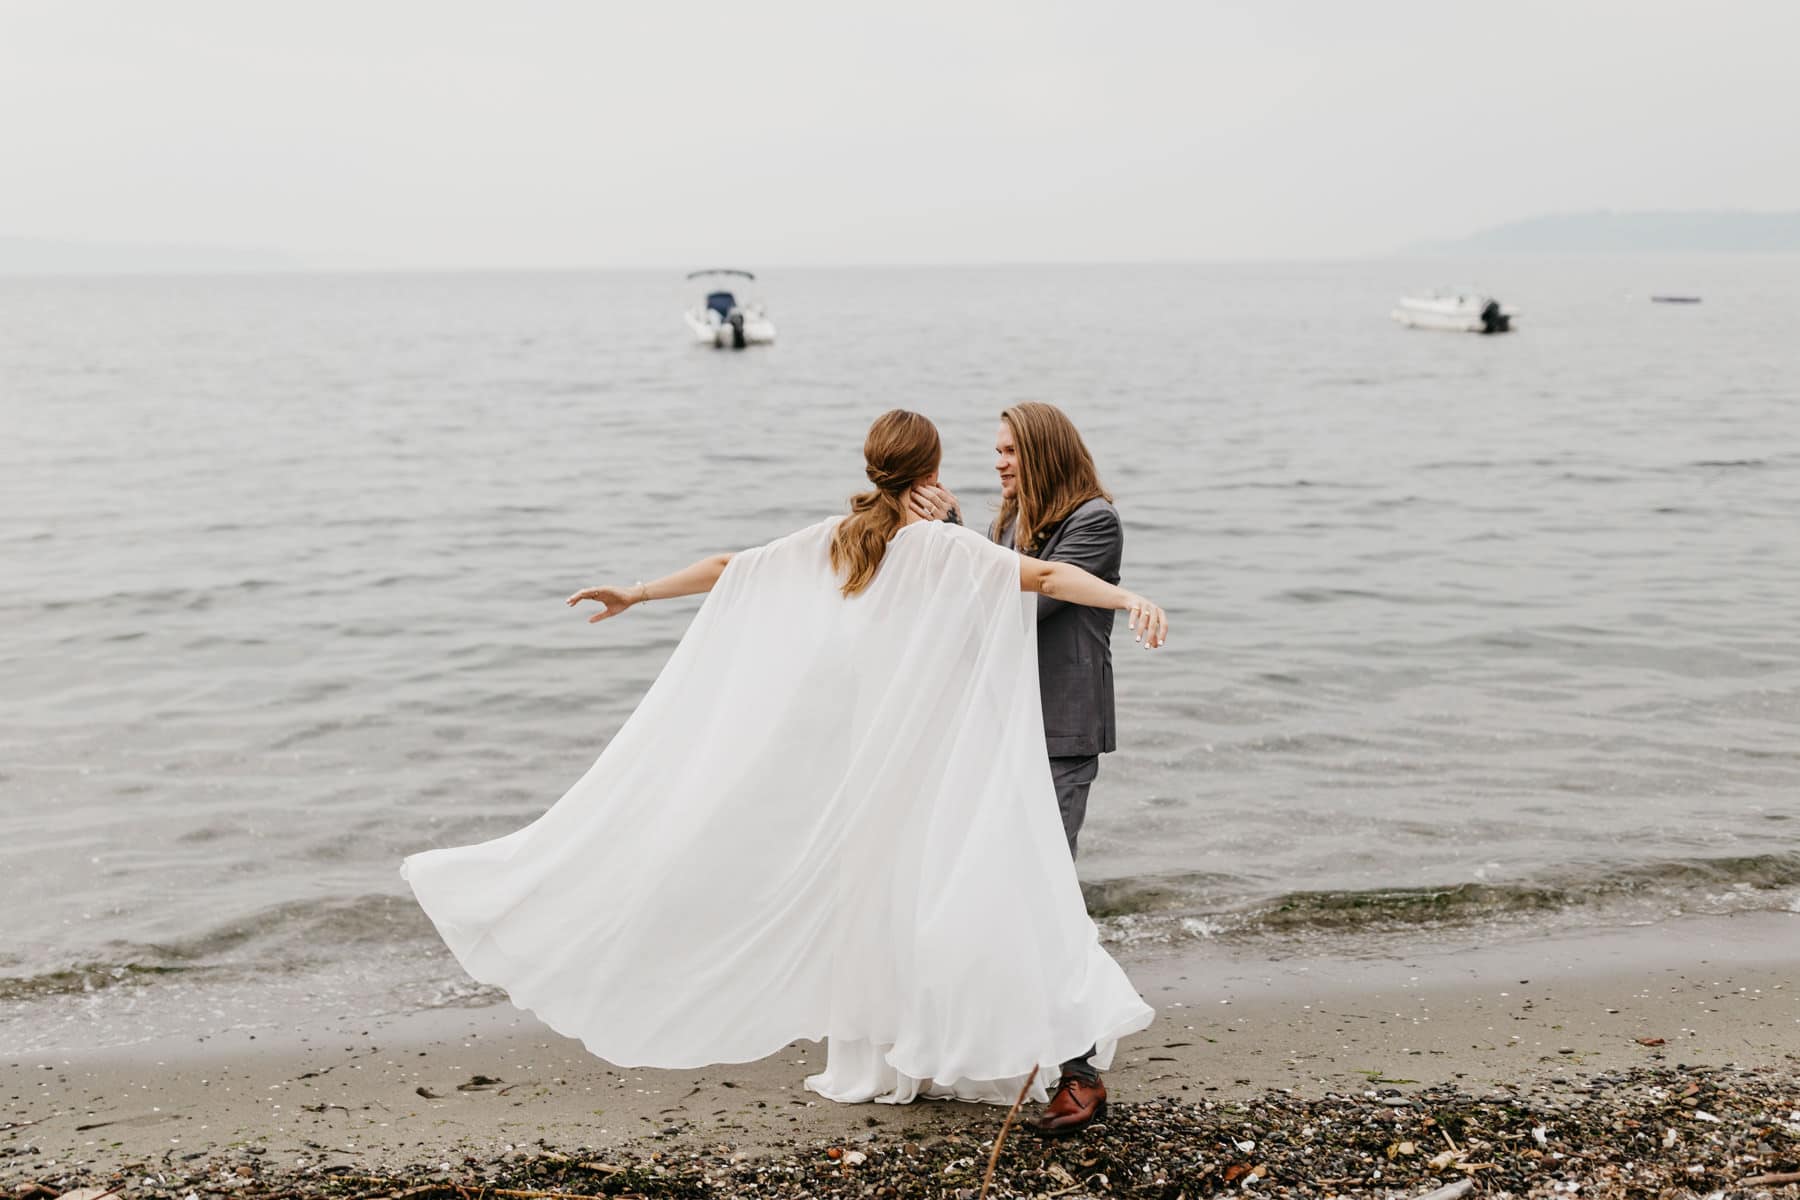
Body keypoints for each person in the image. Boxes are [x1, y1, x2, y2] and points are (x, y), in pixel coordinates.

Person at [401, 409, 1166, 1116]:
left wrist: (638, 592)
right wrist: (1128, 598)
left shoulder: (844, 538)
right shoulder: (945, 547)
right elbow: (1045, 579)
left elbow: (728, 565)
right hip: (927, 756)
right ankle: (984, 1046)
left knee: (889, 900)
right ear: (931, 473)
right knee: (948, 895)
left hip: (878, 759)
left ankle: (918, 1051)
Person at [907, 401, 1124, 1134]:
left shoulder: (1093, 522)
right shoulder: (1011, 522)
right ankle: (1004, 1044)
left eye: (1010, 451)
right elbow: (984, 604)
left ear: (1044, 451)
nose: (998, 461)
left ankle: (1081, 1077)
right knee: (996, 888)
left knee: (1046, 899)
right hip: (1007, 730)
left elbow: (1023, 605)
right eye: (996, 450)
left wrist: (955, 536)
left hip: (1060, 732)